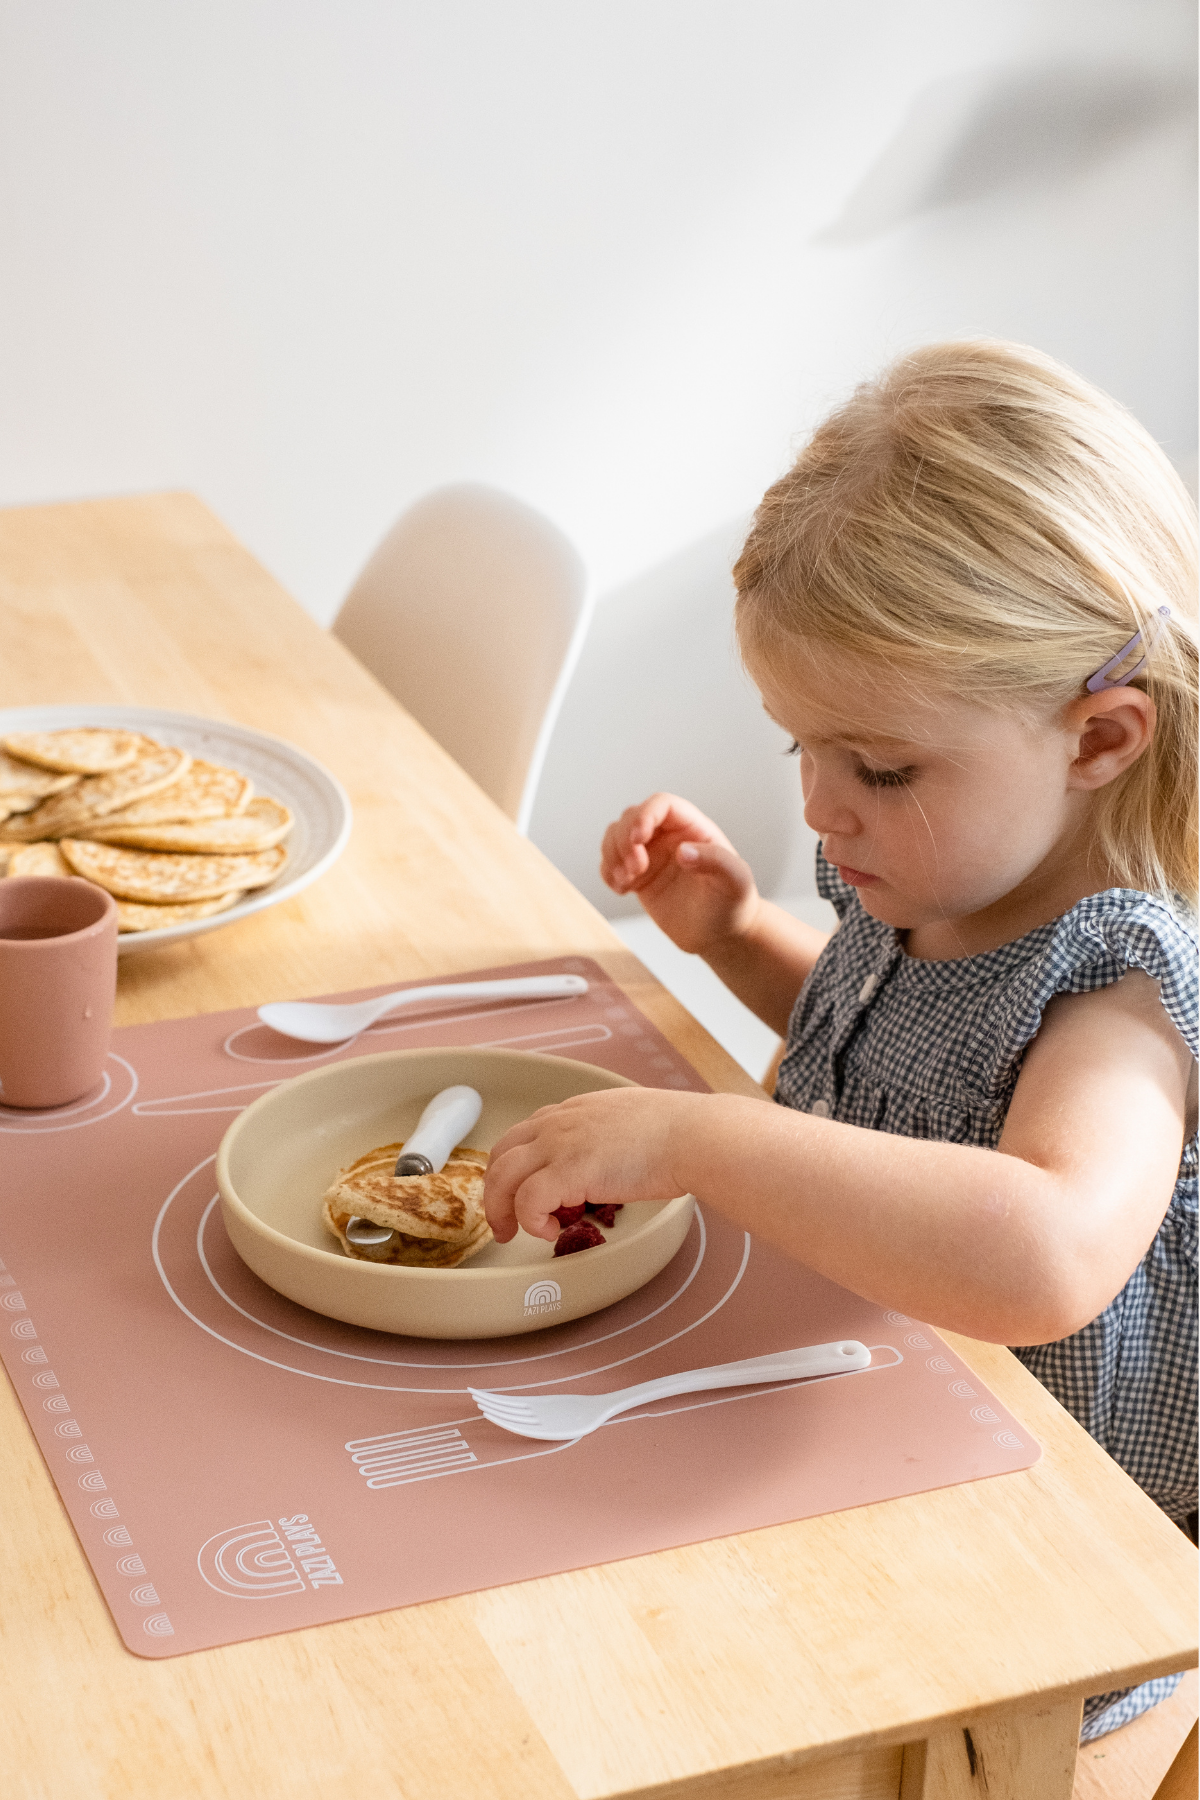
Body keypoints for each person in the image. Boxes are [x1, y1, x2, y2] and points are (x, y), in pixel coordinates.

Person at [482, 340, 1198, 1739]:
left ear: (1100, 740)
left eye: (877, 766)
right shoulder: (935, 878)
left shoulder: (1122, 995)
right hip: (851, 1396)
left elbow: (1046, 1247)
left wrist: (706, 1137)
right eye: (796, 743)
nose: (820, 804)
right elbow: (906, 1048)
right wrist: (740, 934)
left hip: (1028, 1559)